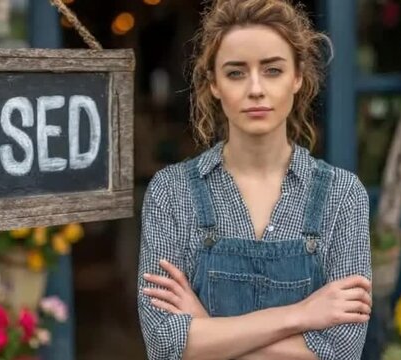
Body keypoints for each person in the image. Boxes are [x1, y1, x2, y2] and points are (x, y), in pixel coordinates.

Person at [137, 0, 372, 359]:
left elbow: (341, 352)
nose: (256, 89)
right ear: (214, 83)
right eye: (236, 73)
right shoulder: (172, 192)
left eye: (273, 70)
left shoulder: (342, 195)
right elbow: (164, 344)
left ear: (297, 77)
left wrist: (204, 332)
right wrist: (301, 315)